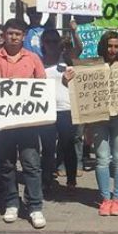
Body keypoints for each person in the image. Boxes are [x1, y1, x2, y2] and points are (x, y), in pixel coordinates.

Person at [0, 18, 47, 228]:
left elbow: (42, 84)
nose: (13, 37)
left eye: (18, 34)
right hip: (4, 122)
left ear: (24, 36)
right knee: (6, 165)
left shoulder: (33, 58)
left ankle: (35, 206)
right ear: (4, 34)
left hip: (28, 122)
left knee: (31, 164)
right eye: (10, 33)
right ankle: (11, 203)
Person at [84, 29, 118, 216]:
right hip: (99, 118)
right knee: (102, 159)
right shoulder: (93, 65)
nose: (113, 49)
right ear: (103, 46)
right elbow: (85, 93)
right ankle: (105, 199)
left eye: (116, 46)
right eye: (110, 46)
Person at [39, 28, 79, 193]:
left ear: (59, 44)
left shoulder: (67, 62)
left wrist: (75, 32)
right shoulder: (38, 63)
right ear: (43, 44)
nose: (51, 45)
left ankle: (71, 179)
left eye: (54, 41)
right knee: (47, 148)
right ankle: (46, 179)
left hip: (65, 109)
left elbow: (79, 50)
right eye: (47, 41)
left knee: (68, 145)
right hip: (46, 110)